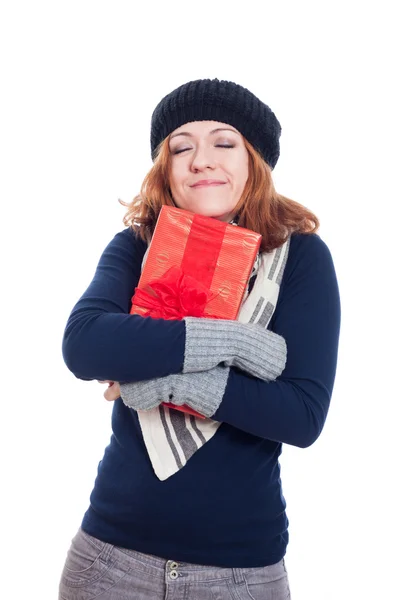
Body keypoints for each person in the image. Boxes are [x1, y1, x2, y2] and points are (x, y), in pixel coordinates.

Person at [59, 78, 341, 600]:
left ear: (254, 159)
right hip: (108, 560)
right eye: (181, 147)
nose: (200, 160)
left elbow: (301, 415)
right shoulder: (137, 244)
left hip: (239, 574)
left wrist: (157, 378)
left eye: (224, 143)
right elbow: (85, 344)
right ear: (165, 168)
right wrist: (232, 344)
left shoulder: (300, 257)